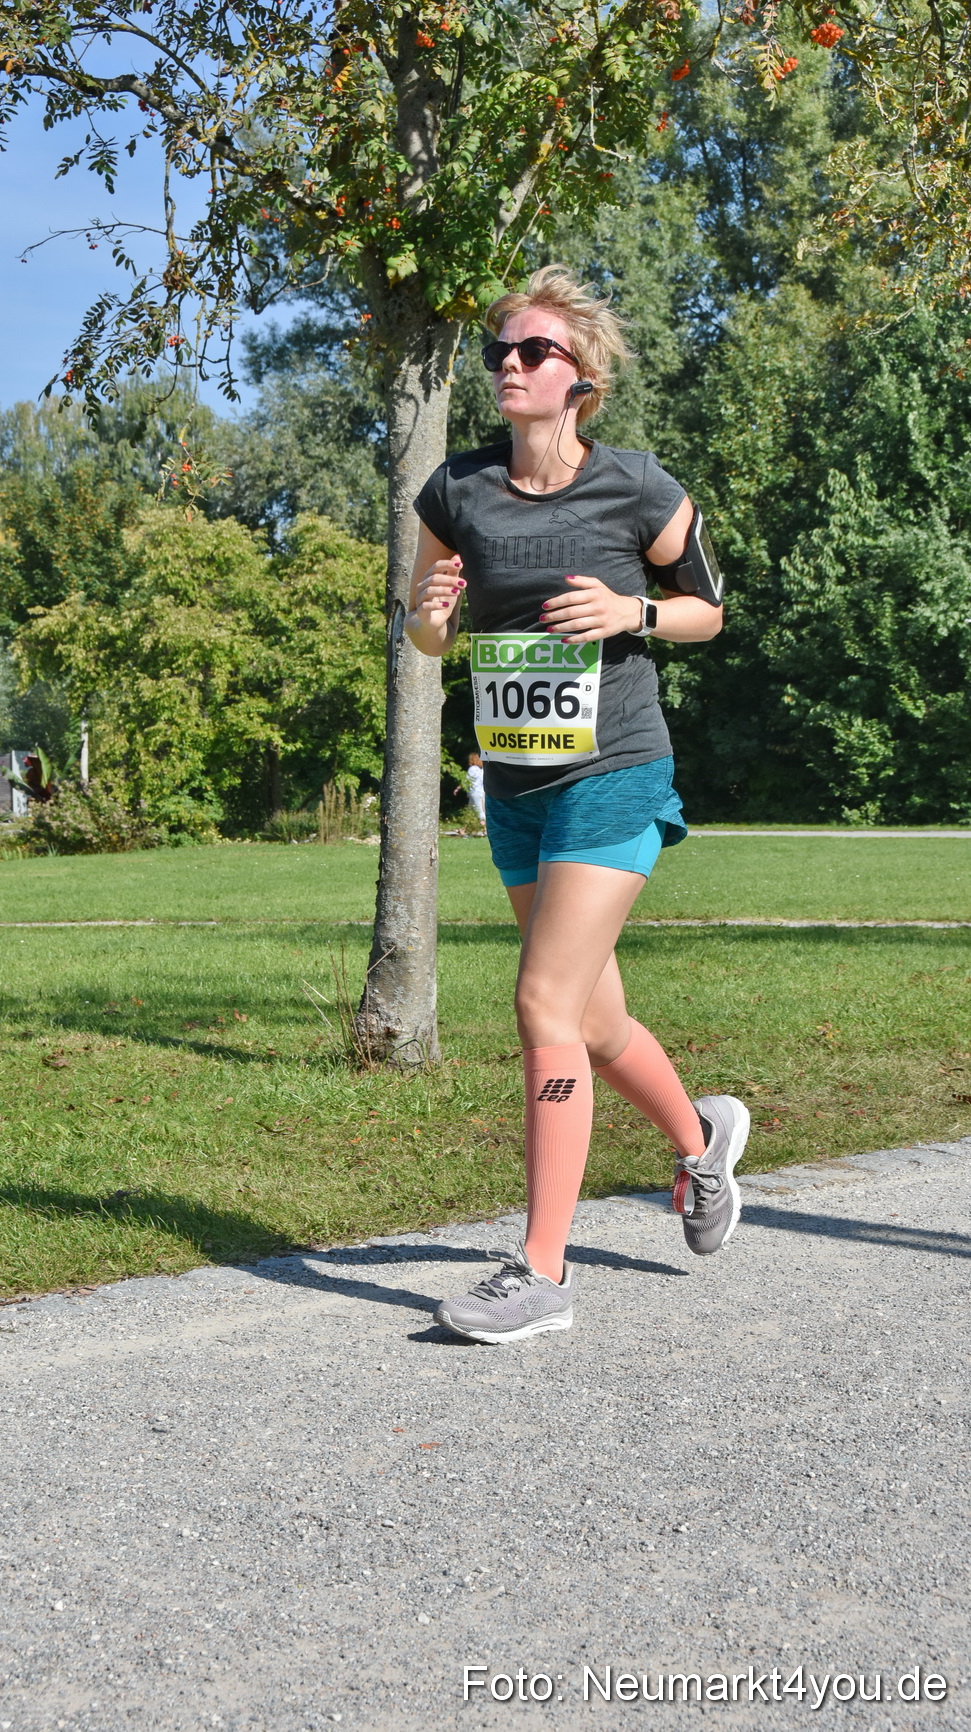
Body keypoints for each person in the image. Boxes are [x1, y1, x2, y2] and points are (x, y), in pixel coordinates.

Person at [406, 266, 750, 1344]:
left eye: (535, 351)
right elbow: (427, 637)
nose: (510, 364)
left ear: (581, 380)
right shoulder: (454, 492)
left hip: (617, 775)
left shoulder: (638, 489)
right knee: (592, 1023)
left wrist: (633, 610)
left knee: (542, 1006)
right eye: (503, 349)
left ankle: (541, 1269)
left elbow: (709, 612)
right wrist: (430, 612)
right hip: (513, 784)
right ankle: (699, 1141)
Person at [463, 752, 486, 832]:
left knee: (479, 810)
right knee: (470, 810)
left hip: (474, 792)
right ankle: (465, 828)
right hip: (481, 792)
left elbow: (467, 780)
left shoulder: (472, 769)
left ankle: (485, 828)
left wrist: (459, 788)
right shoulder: (481, 770)